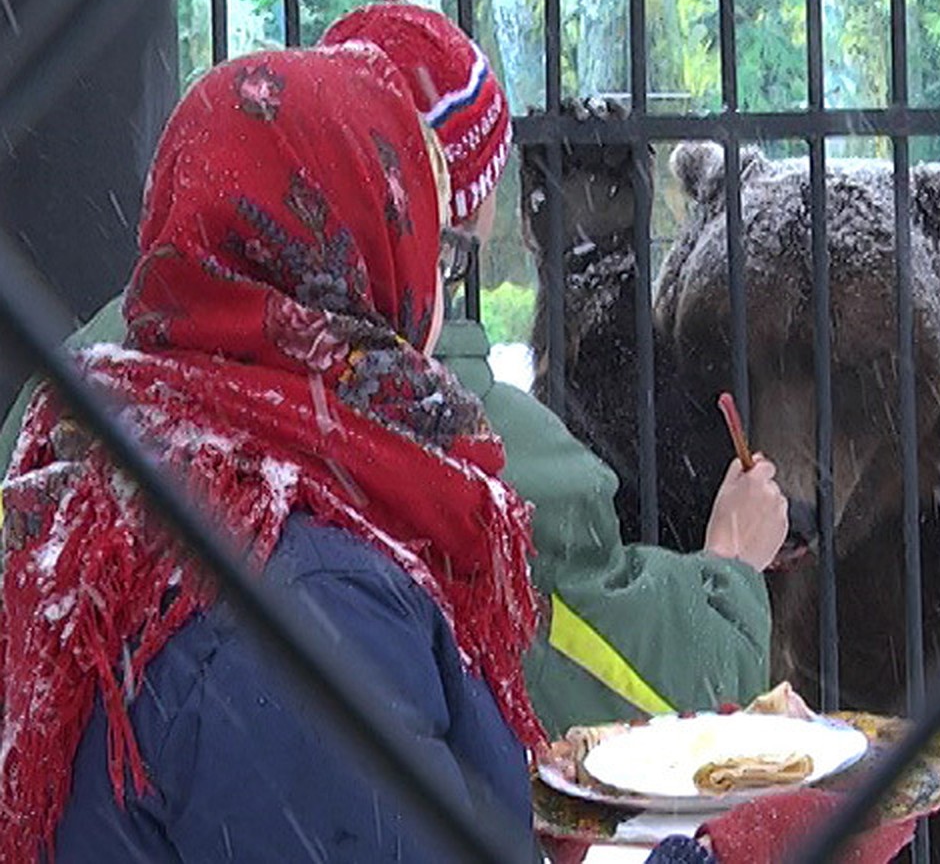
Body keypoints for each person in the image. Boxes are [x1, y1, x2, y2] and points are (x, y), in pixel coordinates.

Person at [0, 2, 786, 739]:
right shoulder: (455, 438)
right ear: (403, 216)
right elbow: (640, 692)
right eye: (453, 253)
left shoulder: (79, 379)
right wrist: (730, 569)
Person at [0, 44, 545, 862]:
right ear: (363, 256)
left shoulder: (110, 464)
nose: (433, 282)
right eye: (429, 243)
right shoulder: (308, 598)